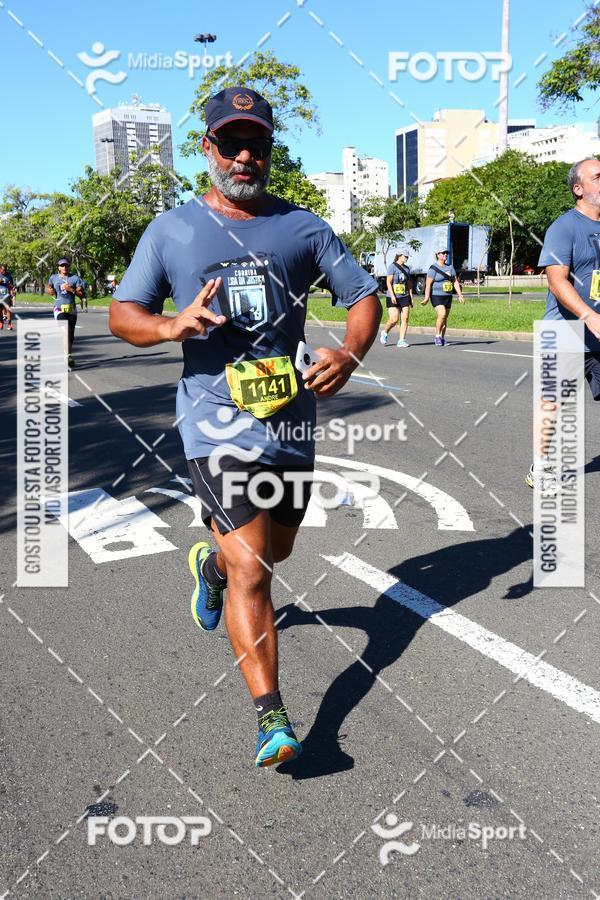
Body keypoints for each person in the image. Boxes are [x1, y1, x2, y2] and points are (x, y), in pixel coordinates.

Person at [108, 87, 381, 768]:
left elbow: (364, 297)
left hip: (289, 423)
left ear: (269, 150)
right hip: (214, 426)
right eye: (230, 143)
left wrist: (348, 353)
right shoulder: (171, 230)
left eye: (256, 143)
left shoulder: (304, 227)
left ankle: (211, 569)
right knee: (256, 567)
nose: (244, 156)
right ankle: (273, 719)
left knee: (277, 553)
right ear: (207, 149)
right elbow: (124, 314)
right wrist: (168, 324)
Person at [526, 157, 600, 488]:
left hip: (598, 331)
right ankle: (540, 467)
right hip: (565, 329)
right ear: (579, 188)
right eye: (598, 176)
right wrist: (588, 315)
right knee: (552, 403)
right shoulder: (564, 227)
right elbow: (556, 280)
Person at [46, 258, 85, 370]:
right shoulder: (53, 277)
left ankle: (67, 354)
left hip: (72, 309)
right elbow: (48, 288)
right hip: (59, 309)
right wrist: (50, 291)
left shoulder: (75, 278)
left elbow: (82, 295)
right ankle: (68, 356)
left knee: (70, 336)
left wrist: (71, 289)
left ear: (69, 266)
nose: (64, 267)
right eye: (62, 265)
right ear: (58, 267)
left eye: (66, 265)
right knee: (65, 330)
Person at [421, 248, 465, 346]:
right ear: (438, 255)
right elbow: (428, 284)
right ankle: (437, 336)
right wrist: (427, 297)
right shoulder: (433, 268)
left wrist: (460, 295)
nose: (445, 255)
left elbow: (455, 282)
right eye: (443, 253)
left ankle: (442, 338)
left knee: (445, 318)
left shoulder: (450, 267)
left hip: (448, 296)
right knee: (442, 314)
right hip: (436, 296)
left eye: (446, 253)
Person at [379, 251, 413, 347]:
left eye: (407, 256)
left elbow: (409, 284)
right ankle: (385, 332)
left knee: (405, 318)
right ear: (399, 256)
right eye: (405, 256)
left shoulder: (407, 269)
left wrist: (411, 296)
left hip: (404, 296)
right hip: (393, 296)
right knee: (394, 319)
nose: (407, 258)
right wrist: (393, 295)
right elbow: (389, 282)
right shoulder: (392, 267)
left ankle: (401, 340)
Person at [0, 264, 15, 331]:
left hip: (6, 295)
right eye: (3, 270)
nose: (4, 271)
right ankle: (1, 322)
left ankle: (9, 324)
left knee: (8, 310)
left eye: (5, 270)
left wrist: (12, 294)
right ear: (0, 269)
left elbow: (11, 285)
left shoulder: (9, 275)